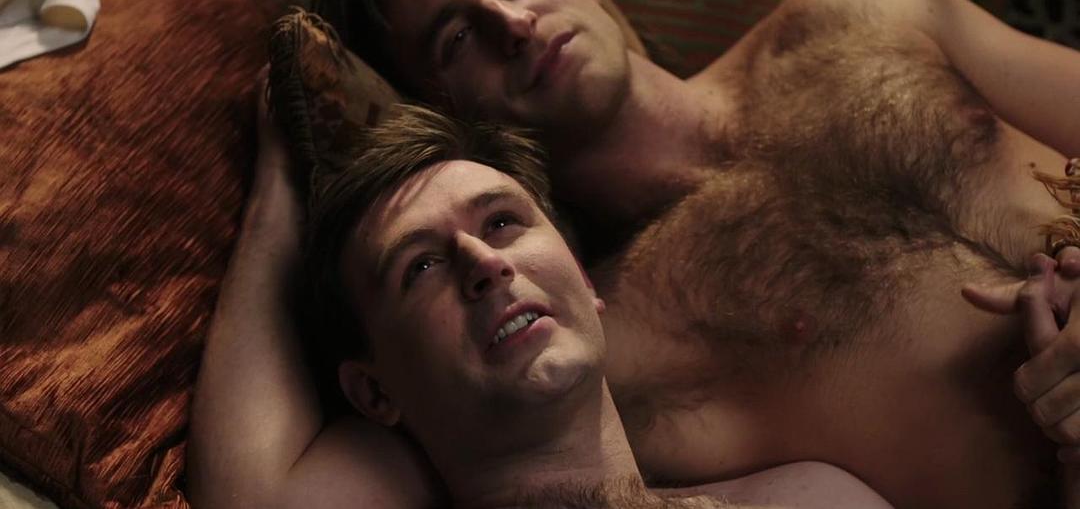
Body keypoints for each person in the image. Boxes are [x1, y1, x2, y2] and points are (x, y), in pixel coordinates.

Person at [308, 0, 1080, 508]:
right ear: (439, 113)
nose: (511, 25)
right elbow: (282, 490)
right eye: (456, 41)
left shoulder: (854, 8)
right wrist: (281, 183)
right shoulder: (593, 347)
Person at [186, 102, 895, 508]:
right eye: (421, 265)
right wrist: (279, 185)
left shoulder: (808, 498)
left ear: (583, 281)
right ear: (374, 391)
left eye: (502, 222)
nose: (485, 263)